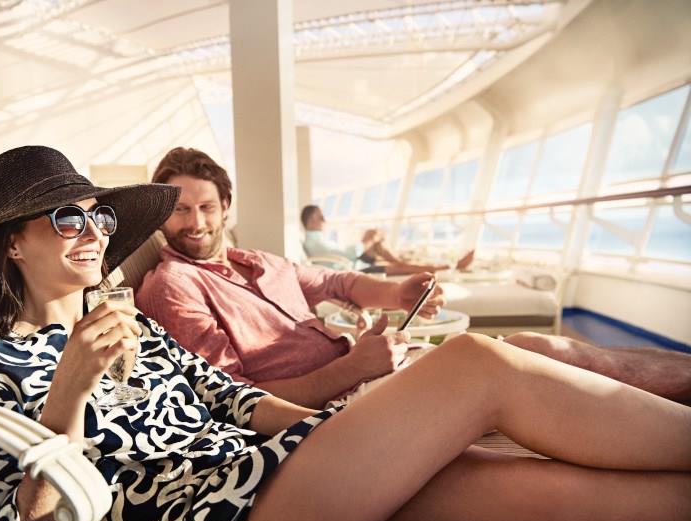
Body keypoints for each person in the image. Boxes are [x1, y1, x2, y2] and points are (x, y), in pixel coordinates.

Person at [0, 145, 691, 521]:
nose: (94, 231)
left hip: (270, 464)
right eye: (67, 217)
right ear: (13, 243)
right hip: (196, 508)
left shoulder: (134, 327)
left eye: (100, 215)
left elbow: (239, 402)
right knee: (479, 361)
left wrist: (356, 429)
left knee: (531, 489)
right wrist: (68, 398)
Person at [140, 147, 691, 407]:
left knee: (536, 349)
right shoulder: (174, 286)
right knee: (519, 354)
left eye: (206, 207)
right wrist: (354, 367)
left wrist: (398, 293)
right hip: (336, 406)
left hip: (366, 376)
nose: (196, 223)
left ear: (226, 207)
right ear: (161, 216)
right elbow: (236, 400)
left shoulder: (257, 261)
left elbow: (337, 284)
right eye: (180, 210)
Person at [300, 203, 475, 275]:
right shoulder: (315, 241)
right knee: (399, 264)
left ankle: (399, 260)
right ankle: (450, 266)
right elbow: (347, 254)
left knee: (373, 235)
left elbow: (344, 254)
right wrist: (369, 241)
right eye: (322, 217)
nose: (325, 220)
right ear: (312, 220)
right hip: (354, 268)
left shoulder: (317, 239)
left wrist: (371, 240)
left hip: (353, 263)